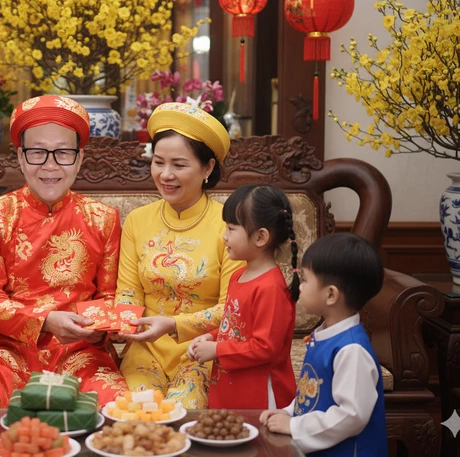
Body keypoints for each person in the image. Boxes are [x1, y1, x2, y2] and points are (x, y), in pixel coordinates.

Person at [0, 95, 128, 408]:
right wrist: (47, 321)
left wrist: (99, 330)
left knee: (119, 413)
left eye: (63, 152)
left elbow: (108, 296)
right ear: (20, 157)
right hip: (7, 351)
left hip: (82, 352)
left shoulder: (103, 219)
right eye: (38, 152)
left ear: (79, 158)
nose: (50, 166)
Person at [115, 102, 244, 409]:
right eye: (158, 162)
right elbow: (128, 293)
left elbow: (231, 309)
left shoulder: (229, 225)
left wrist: (173, 325)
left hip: (202, 349)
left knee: (183, 412)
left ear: (207, 168)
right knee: (136, 411)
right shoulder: (137, 221)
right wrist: (118, 323)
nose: (165, 175)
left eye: (179, 165)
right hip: (145, 348)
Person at [259, 233, 388, 456]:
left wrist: (294, 426)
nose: (300, 287)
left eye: (306, 280)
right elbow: (311, 395)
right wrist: (288, 412)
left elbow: (351, 416)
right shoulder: (324, 335)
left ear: (330, 294)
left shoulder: (351, 350)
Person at [187, 184, 298, 409]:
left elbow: (265, 347)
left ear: (260, 237)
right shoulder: (238, 275)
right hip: (232, 383)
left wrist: (217, 350)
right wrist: (210, 337)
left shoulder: (270, 288)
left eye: (231, 228)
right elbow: (235, 327)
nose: (224, 236)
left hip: (258, 391)